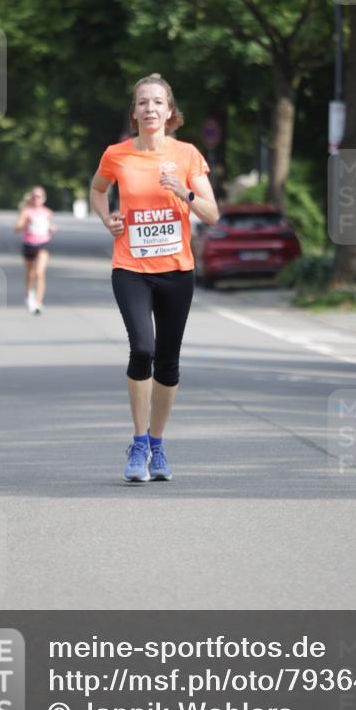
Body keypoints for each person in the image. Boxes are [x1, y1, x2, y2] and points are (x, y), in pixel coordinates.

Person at [90, 72, 219, 483]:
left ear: (170, 112)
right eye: (143, 102)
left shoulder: (186, 156)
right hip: (131, 267)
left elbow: (212, 214)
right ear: (135, 112)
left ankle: (159, 445)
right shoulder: (117, 155)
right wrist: (106, 218)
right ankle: (139, 441)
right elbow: (97, 190)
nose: (150, 109)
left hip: (177, 271)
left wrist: (184, 193)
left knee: (168, 362)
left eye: (158, 103)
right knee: (142, 348)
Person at [14, 186, 57, 314]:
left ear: (43, 199)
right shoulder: (26, 212)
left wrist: (51, 228)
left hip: (43, 244)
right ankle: (28, 293)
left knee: (39, 272)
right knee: (30, 273)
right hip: (29, 244)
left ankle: (38, 302)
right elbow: (17, 228)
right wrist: (25, 224)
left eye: (38, 196)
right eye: (34, 196)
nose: (36, 199)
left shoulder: (47, 212)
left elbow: (47, 225)